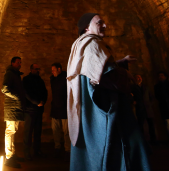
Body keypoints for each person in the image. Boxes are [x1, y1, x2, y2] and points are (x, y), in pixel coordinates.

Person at [67, 13, 150, 171]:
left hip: (89, 110)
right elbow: (108, 78)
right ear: (86, 27)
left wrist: (120, 63)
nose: (105, 25)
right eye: (100, 23)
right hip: (104, 111)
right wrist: (127, 76)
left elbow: (94, 71)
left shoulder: (80, 45)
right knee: (118, 149)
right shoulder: (92, 44)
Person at [1, 57, 26, 168]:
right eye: (18, 62)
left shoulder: (15, 74)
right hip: (11, 107)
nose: (20, 64)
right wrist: (16, 97)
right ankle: (9, 157)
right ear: (12, 63)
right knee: (10, 132)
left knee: (13, 131)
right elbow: (5, 89)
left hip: (15, 107)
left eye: (20, 62)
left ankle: (12, 154)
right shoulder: (10, 74)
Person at [22, 63, 48, 159]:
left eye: (38, 69)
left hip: (39, 109)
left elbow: (45, 92)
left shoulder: (40, 80)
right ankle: (27, 152)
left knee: (38, 132)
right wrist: (36, 102)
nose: (38, 70)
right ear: (31, 69)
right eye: (36, 69)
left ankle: (37, 150)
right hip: (29, 110)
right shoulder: (26, 80)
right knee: (28, 132)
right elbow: (26, 93)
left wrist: (43, 101)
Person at [50, 63, 71, 158]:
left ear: (59, 69)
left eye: (54, 70)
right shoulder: (53, 79)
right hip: (55, 109)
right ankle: (57, 148)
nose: (52, 72)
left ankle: (68, 150)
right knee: (56, 131)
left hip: (64, 109)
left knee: (67, 132)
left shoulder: (67, 78)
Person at [131, 75, 156, 144]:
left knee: (151, 125)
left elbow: (151, 97)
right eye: (137, 77)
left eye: (139, 77)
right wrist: (134, 101)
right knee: (140, 125)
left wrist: (149, 104)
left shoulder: (146, 87)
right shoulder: (132, 87)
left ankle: (154, 140)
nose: (139, 78)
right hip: (140, 108)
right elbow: (130, 96)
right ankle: (142, 141)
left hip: (148, 108)